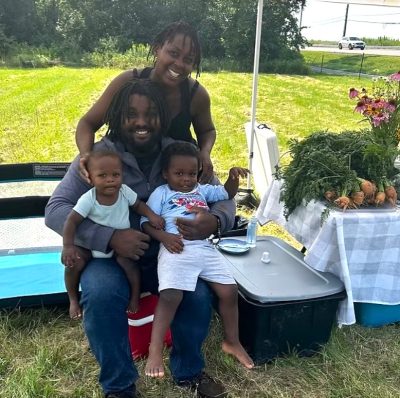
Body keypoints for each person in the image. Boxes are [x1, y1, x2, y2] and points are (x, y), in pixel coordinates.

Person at [45, 78, 236, 398]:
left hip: (171, 252)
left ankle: (189, 372)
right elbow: (56, 209)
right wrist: (109, 236)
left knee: (198, 294)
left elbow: (223, 199)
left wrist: (215, 221)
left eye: (150, 114)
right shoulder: (99, 157)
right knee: (101, 292)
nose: (142, 122)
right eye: (131, 114)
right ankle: (119, 385)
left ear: (162, 116)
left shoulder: (180, 152)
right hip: (115, 259)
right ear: (118, 118)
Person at [141, 142, 254, 378]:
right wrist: (164, 237)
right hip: (176, 248)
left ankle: (232, 341)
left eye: (191, 173)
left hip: (204, 248)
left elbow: (227, 194)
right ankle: (155, 350)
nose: (186, 179)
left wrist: (233, 178)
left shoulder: (201, 190)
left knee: (229, 291)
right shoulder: (162, 193)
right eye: (179, 173)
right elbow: (145, 223)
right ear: (165, 173)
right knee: (171, 295)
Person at [76, 21, 216, 184]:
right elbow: (87, 123)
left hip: (175, 179)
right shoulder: (127, 82)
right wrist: (86, 154)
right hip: (126, 175)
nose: (179, 64)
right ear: (157, 49)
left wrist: (205, 152)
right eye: (173, 53)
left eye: (188, 59)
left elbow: (207, 130)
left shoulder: (196, 95)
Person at [61, 150, 164, 319]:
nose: (110, 180)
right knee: (73, 264)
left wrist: (152, 215)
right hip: (92, 247)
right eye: (102, 175)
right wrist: (68, 246)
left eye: (116, 174)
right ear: (91, 178)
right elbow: (71, 221)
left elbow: (138, 205)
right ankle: (72, 299)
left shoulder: (124, 191)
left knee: (131, 265)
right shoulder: (89, 199)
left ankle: (135, 296)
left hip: (120, 249)